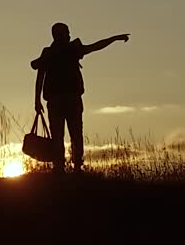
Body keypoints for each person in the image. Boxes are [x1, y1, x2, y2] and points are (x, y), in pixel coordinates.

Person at [31, 23, 129, 172]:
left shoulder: (52, 52)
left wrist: (37, 100)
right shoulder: (62, 51)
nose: (70, 35)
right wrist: (37, 100)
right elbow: (95, 47)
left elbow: (39, 77)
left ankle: (65, 167)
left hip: (63, 100)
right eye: (67, 32)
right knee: (71, 134)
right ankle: (70, 167)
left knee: (65, 135)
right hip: (67, 100)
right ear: (60, 34)